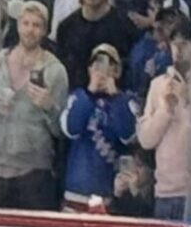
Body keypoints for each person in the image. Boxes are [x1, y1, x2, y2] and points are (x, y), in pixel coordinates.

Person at [0, 0, 69, 210]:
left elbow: (61, 130)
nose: (30, 30)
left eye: (36, 25)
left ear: (45, 31)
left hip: (34, 173)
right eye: (26, 23)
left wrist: (49, 106)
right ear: (18, 25)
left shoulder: (55, 70)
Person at [136, 17, 191, 222]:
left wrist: (190, 102)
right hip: (165, 194)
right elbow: (146, 140)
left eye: (185, 44)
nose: (178, 50)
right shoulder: (158, 85)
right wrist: (165, 110)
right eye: (174, 44)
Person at [59, 44, 138, 212]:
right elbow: (71, 129)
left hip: (107, 196)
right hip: (75, 194)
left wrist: (115, 98)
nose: (101, 70)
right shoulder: (77, 96)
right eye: (96, 64)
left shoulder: (126, 101)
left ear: (117, 71)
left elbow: (128, 135)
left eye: (109, 64)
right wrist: (89, 93)